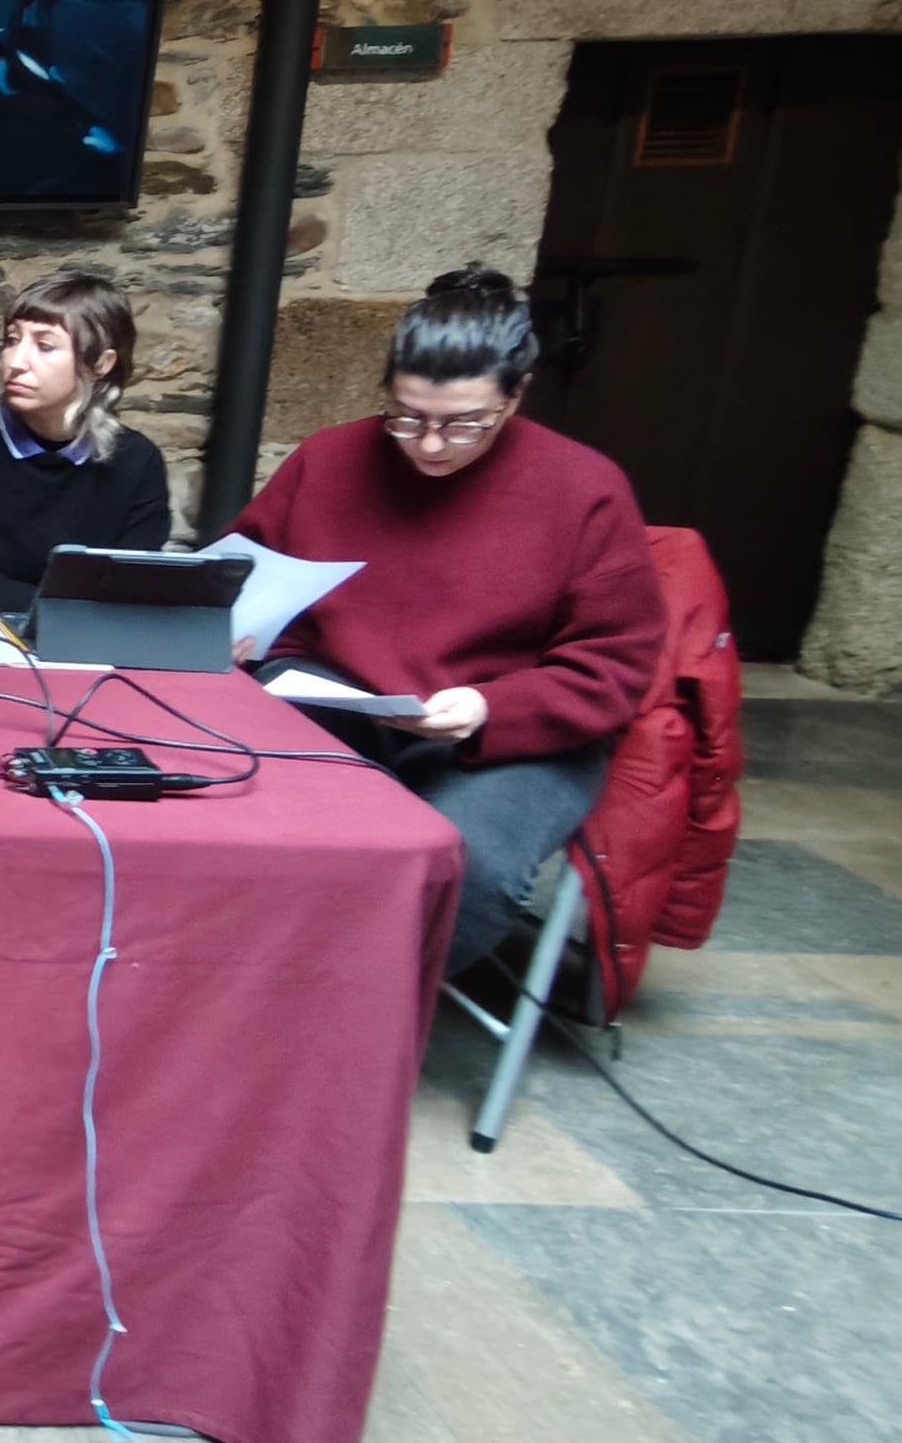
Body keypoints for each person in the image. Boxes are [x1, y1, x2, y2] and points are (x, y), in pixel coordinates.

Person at [231, 265, 666, 976]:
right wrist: (243, 634)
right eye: (406, 418)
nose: (430, 445)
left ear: (516, 396)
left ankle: (352, 1015)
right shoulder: (330, 460)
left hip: (512, 734)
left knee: (469, 865)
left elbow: (616, 668)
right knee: (238, 805)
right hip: (340, 702)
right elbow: (248, 580)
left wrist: (491, 708)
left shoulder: (584, 489)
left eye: (465, 424)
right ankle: (249, 984)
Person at [0, 269, 171, 613]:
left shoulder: (136, 461)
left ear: (100, 364)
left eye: (44, 346)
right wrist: (64, 610)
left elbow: (130, 587)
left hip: (80, 647)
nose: (15, 362)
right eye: (13, 340)